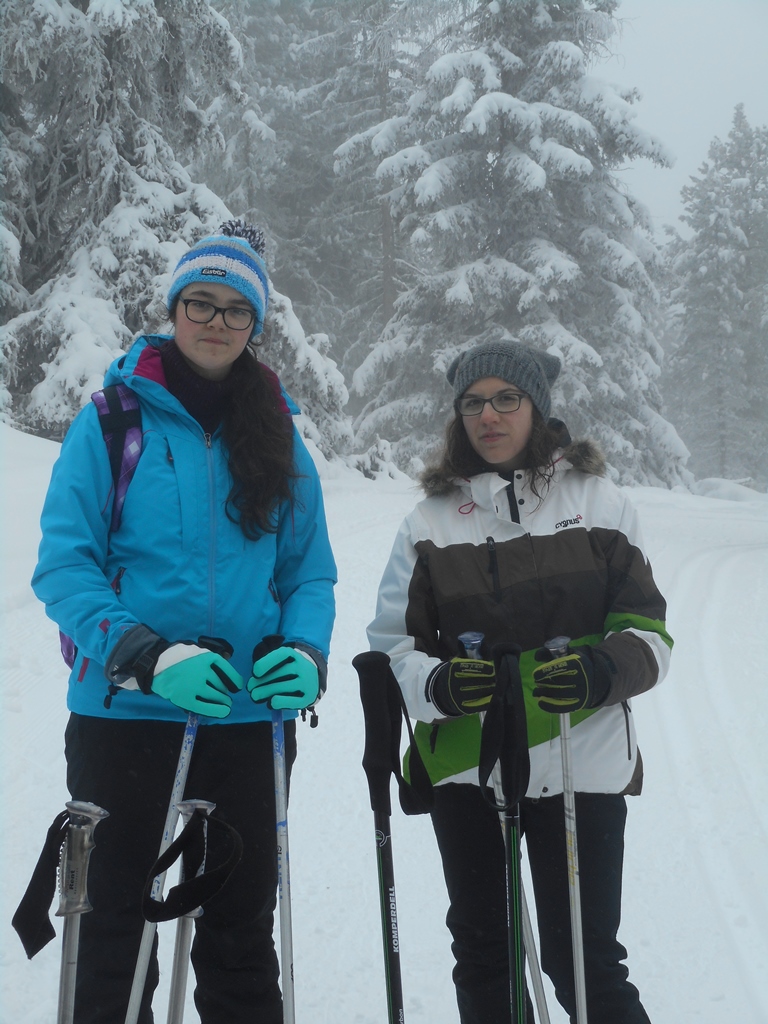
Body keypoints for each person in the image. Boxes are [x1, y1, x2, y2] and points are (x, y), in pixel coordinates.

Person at [31, 220, 337, 1024]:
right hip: (125, 713)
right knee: (113, 936)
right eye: (200, 302)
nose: (216, 321)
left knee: (239, 938)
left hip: (247, 717)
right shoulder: (110, 421)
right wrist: (145, 655)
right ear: (173, 308)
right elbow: (65, 567)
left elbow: (308, 571)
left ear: (255, 325)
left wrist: (306, 652)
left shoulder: (277, 433)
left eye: (237, 309)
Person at [367, 339, 672, 1024]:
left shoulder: (599, 503)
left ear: (538, 408)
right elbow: (393, 647)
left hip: (580, 759)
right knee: (485, 957)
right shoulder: (430, 521)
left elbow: (648, 633)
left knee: (584, 964)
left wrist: (600, 672)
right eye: (474, 403)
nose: (490, 416)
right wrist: (437, 686)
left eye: (508, 399)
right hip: (468, 769)